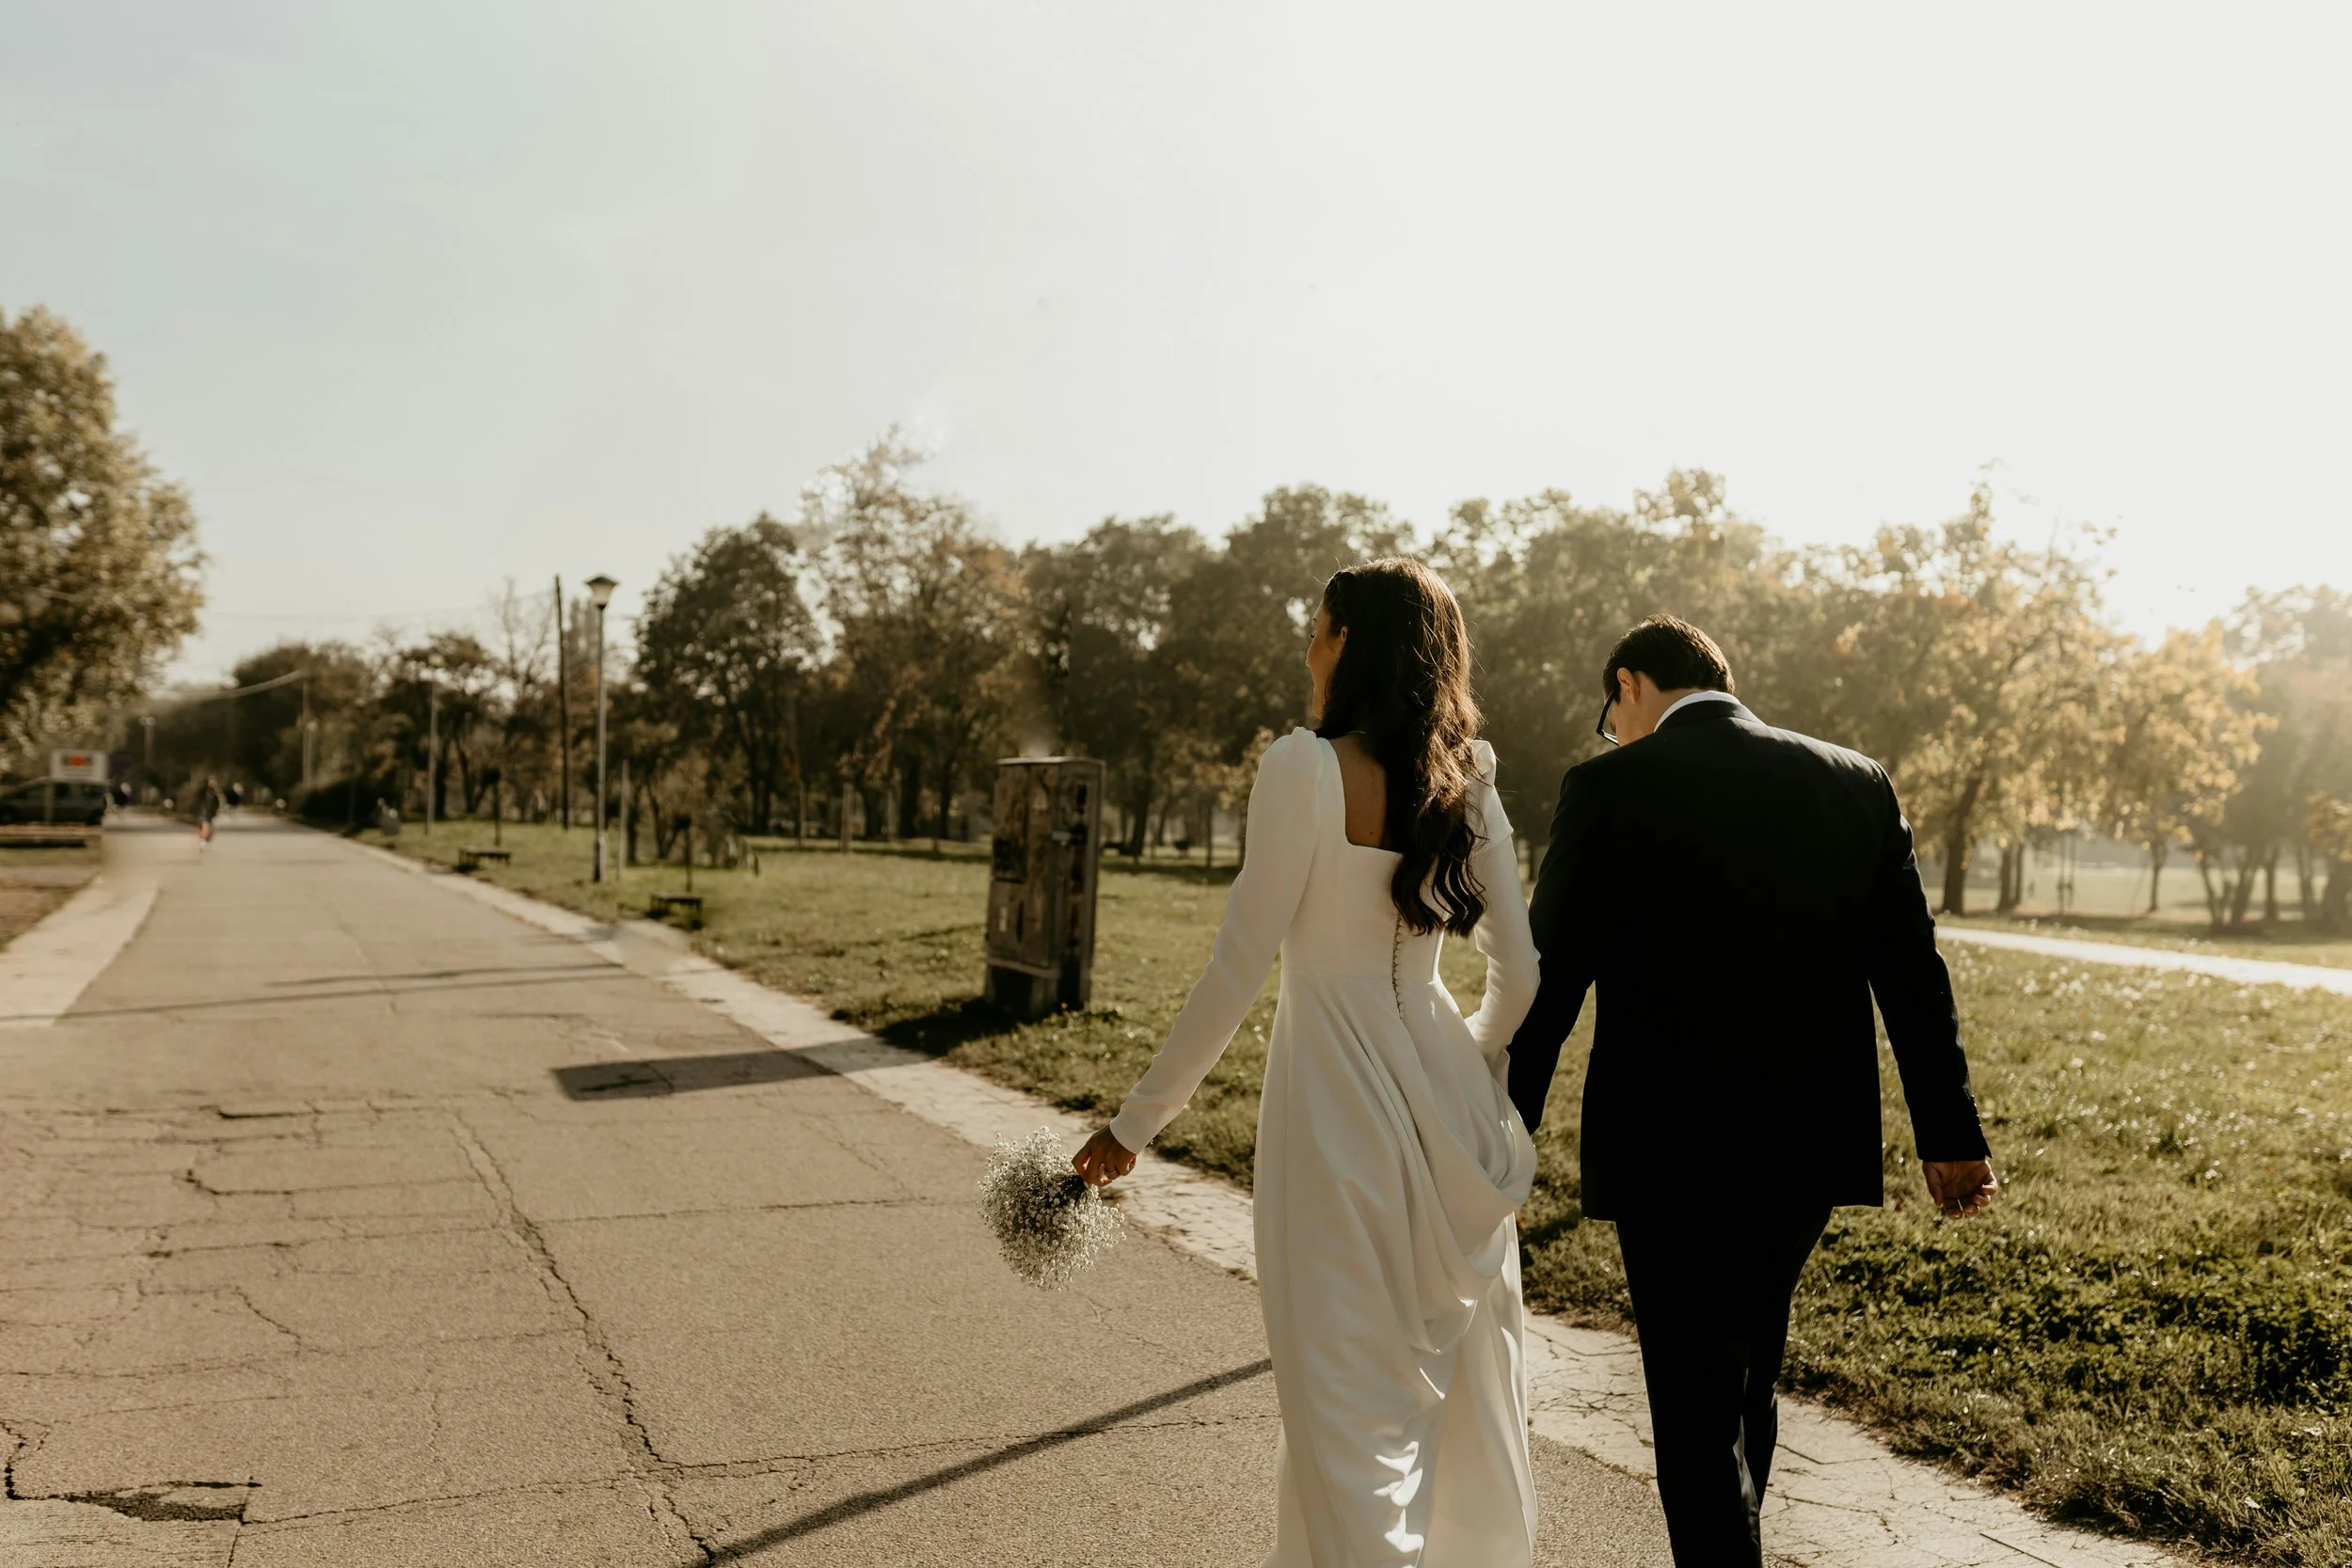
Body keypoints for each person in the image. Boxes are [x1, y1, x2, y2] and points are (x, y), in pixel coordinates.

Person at [1073, 558, 1543, 1566]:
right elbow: (1524, 971)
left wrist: (1133, 1124)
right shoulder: (1471, 781)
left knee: (1340, 1405)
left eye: (1316, 625)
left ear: (1347, 642)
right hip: (1450, 1096)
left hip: (1334, 1099)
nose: (1305, 643)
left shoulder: (1300, 767)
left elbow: (1237, 966)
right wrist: (1468, 1061)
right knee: (1455, 1399)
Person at [1505, 614, 1996, 1568]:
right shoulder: (1851, 780)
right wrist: (1950, 1133)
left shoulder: (1607, 787)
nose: (1614, 730)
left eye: (1614, 713)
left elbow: (1548, 974)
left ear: (1628, 682)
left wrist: (1500, 1130)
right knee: (1741, 1378)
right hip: (1805, 1143)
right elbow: (1911, 973)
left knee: (1694, 1408)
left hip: (1667, 1144)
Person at [194, 776, 223, 846]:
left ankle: (205, 839)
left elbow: (217, 802)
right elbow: (196, 801)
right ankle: (202, 839)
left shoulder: (215, 792)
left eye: (214, 782)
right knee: (204, 825)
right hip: (203, 811)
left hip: (211, 812)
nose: (213, 783)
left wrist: (217, 809)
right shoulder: (202, 791)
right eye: (211, 782)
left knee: (210, 827)